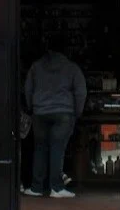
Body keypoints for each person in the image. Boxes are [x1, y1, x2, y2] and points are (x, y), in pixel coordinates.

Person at [22, 38, 85, 199]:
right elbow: (80, 92)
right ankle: (56, 187)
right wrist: (77, 112)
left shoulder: (36, 67)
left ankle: (36, 187)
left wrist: (31, 107)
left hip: (40, 112)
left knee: (40, 148)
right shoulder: (72, 68)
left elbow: (28, 88)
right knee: (58, 148)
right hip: (63, 112)